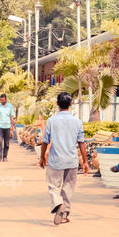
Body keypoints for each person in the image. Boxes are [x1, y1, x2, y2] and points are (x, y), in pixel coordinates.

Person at [39, 92, 88, 225]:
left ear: (57, 104)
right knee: (68, 188)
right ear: (71, 104)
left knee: (53, 186)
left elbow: (45, 141)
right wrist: (85, 161)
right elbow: (81, 142)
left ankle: (58, 203)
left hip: (55, 160)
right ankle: (64, 215)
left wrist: (42, 157)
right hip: (72, 160)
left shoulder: (52, 121)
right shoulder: (77, 122)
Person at [0, 93, 15, 162]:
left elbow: (12, 116)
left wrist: (12, 125)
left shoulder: (10, 106)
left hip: (7, 126)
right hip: (0, 126)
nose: (2, 102)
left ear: (5, 99)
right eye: (1, 100)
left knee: (6, 142)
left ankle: (5, 156)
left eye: (3, 100)